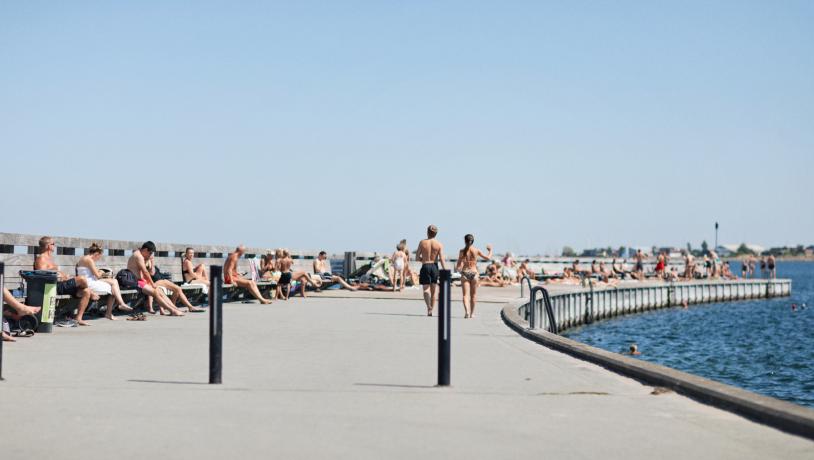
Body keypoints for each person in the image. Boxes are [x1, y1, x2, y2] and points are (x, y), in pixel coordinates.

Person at [34, 236, 93, 326]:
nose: (54, 246)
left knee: (86, 291)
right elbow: (41, 274)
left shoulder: (49, 258)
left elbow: (53, 271)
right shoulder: (41, 258)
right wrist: (58, 276)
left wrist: (65, 276)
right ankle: (92, 294)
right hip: (53, 286)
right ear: (49, 246)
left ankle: (78, 318)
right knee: (82, 279)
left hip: (61, 284)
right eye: (53, 244)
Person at [116, 241, 186, 316]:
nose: (150, 255)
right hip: (133, 282)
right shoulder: (138, 256)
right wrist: (152, 284)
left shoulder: (141, 255)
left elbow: (149, 272)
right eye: (150, 253)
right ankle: (172, 311)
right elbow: (145, 272)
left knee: (159, 291)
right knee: (155, 292)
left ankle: (174, 308)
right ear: (145, 250)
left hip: (139, 281)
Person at [76, 243, 134, 320]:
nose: (98, 259)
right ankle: (113, 310)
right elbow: (98, 275)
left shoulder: (83, 258)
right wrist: (102, 272)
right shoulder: (89, 260)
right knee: (113, 287)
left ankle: (119, 305)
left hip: (89, 280)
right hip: (89, 283)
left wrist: (100, 272)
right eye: (99, 256)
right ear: (97, 254)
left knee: (114, 282)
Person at [455, 235, 492, 319]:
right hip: (474, 273)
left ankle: (467, 312)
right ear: (473, 241)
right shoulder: (476, 250)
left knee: (465, 295)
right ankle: (472, 314)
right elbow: (488, 258)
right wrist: (490, 250)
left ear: (465, 241)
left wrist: (460, 269)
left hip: (465, 273)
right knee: (473, 295)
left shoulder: (461, 251)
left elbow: (458, 265)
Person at [416, 225, 447, 316]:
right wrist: (445, 270)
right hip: (434, 266)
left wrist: (424, 260)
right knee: (433, 292)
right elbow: (441, 259)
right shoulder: (439, 244)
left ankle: (428, 306)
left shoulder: (422, 242)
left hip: (425, 266)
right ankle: (430, 310)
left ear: (427, 232)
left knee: (426, 290)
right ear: (436, 234)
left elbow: (417, 258)